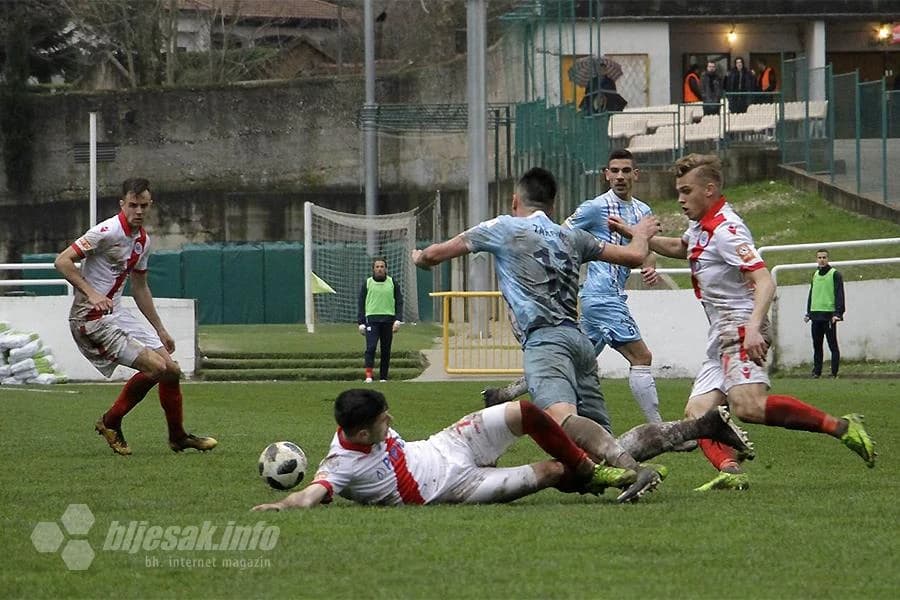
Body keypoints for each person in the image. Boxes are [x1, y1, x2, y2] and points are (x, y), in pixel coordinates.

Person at [610, 154, 876, 491]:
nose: (680, 199)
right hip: (721, 333)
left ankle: (842, 427)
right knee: (698, 415)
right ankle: (731, 471)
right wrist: (635, 235)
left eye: (686, 191)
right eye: (678, 191)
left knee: (748, 406)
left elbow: (764, 281)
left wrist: (752, 328)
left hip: (740, 326)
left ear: (709, 189)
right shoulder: (701, 226)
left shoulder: (727, 230)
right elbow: (681, 246)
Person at [411, 167, 665, 500]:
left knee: (559, 419)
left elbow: (433, 255)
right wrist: (641, 232)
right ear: (553, 205)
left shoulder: (504, 227)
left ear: (514, 200)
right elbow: (634, 256)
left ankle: (635, 469)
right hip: (578, 341)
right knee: (593, 435)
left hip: (545, 341)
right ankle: (623, 471)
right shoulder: (571, 236)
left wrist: (418, 257)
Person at [251, 388, 755, 510]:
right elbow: (315, 491)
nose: (391, 422)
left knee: (526, 411)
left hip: (449, 443)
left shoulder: (365, 430)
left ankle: (603, 470)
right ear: (361, 434)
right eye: (384, 421)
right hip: (457, 486)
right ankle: (684, 434)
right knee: (554, 471)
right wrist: (285, 504)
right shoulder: (340, 464)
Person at [483, 150, 674, 436]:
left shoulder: (643, 211)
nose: (620, 176)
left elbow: (646, 248)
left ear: (636, 174)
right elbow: (558, 235)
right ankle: (659, 429)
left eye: (626, 170)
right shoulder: (594, 208)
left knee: (571, 360)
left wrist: (649, 266)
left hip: (609, 295)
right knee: (641, 357)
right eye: (614, 171)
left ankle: (507, 394)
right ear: (606, 175)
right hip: (601, 295)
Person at [54, 178, 217, 456]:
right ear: (122, 204)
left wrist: (160, 329)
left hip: (117, 313)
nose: (138, 211)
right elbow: (62, 261)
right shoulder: (105, 232)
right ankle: (110, 421)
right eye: (133, 205)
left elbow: (140, 288)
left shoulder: (142, 241)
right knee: (156, 368)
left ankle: (178, 437)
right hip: (90, 318)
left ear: (150, 205)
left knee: (171, 370)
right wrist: (92, 293)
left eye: (143, 205)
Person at [357, 257, 403, 382]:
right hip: (372, 320)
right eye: (377, 267)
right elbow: (361, 303)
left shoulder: (392, 282)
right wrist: (361, 322)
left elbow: (399, 301)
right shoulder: (367, 283)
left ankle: (383, 377)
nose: (379, 269)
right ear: (373, 269)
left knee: (386, 350)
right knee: (371, 348)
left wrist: (398, 320)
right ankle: (368, 376)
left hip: (388, 320)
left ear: (386, 268)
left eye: (382, 267)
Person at [804, 249, 845, 378]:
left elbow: (839, 294)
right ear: (816, 259)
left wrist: (838, 313)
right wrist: (808, 312)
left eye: (824, 257)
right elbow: (812, 293)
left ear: (828, 259)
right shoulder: (815, 274)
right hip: (816, 315)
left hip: (828, 316)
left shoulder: (835, 274)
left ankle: (834, 372)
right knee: (817, 345)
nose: (822, 260)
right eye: (819, 257)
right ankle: (817, 372)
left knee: (832, 345)